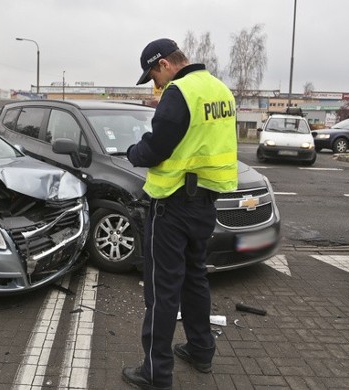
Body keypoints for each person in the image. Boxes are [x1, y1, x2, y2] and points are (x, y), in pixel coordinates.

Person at [121, 38, 238, 390]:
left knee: (162, 290)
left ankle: (156, 373)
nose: (157, 84)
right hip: (205, 203)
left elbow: (157, 148)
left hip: (171, 205)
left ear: (164, 65)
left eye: (154, 76)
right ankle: (201, 350)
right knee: (195, 278)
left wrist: (133, 152)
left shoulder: (179, 91)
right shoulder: (221, 91)